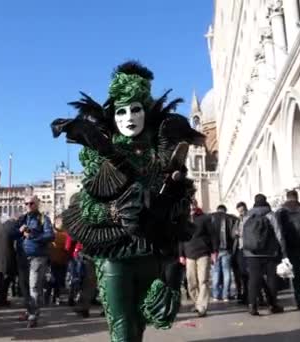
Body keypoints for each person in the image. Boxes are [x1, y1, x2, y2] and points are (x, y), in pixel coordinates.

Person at [52, 61, 204, 341]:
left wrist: (175, 197)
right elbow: (85, 206)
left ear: (146, 112)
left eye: (135, 109)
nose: (129, 117)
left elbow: (177, 215)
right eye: (121, 111)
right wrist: (113, 211)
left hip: (149, 253)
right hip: (114, 254)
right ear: (114, 116)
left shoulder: (160, 157)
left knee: (138, 325)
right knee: (121, 329)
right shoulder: (101, 157)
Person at [11, 195, 54, 328]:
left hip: (37, 257)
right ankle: (29, 310)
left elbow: (51, 235)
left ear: (37, 204)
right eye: (27, 203)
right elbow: (11, 234)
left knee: (34, 286)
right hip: (22, 257)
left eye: (31, 203)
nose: (29, 206)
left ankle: (33, 315)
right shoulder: (22, 219)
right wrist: (20, 231)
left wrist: (33, 235)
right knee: (24, 287)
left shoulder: (43, 219)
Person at [241, 194, 286, 316]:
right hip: (269, 252)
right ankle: (272, 304)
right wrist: (282, 250)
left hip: (251, 253)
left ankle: (252, 305)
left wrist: (244, 250)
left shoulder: (247, 216)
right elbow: (278, 234)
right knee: (271, 278)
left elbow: (241, 234)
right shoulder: (270, 215)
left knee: (254, 279)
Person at [275, 190, 300, 310]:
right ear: (297, 198)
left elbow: (277, 231)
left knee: (296, 274)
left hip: (289, 248)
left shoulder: (280, 213)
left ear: (286, 198)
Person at [180, 201, 217, 316]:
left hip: (203, 253)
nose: (191, 207)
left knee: (203, 280)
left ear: (196, 206)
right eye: (189, 205)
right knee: (191, 283)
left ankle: (202, 307)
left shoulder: (205, 218)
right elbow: (180, 239)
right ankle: (197, 303)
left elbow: (213, 235)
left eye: (193, 205)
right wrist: (181, 254)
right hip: (189, 255)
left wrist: (214, 252)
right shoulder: (183, 220)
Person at [209, 204, 239, 302]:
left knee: (215, 272)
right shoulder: (231, 218)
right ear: (225, 210)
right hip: (227, 249)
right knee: (227, 272)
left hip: (214, 250)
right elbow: (234, 234)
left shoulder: (210, 217)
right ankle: (226, 295)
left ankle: (216, 295)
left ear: (217, 210)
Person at [47, 216, 70, 306]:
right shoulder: (60, 234)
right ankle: (54, 297)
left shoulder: (57, 234)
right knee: (56, 280)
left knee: (55, 280)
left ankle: (52, 296)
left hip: (59, 260)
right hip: (57, 260)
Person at [0, 217, 18, 307]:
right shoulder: (11, 229)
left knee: (3, 281)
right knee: (6, 281)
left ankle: (1, 299)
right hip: (8, 259)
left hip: (1, 259)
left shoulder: (3, 229)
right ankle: (1, 300)